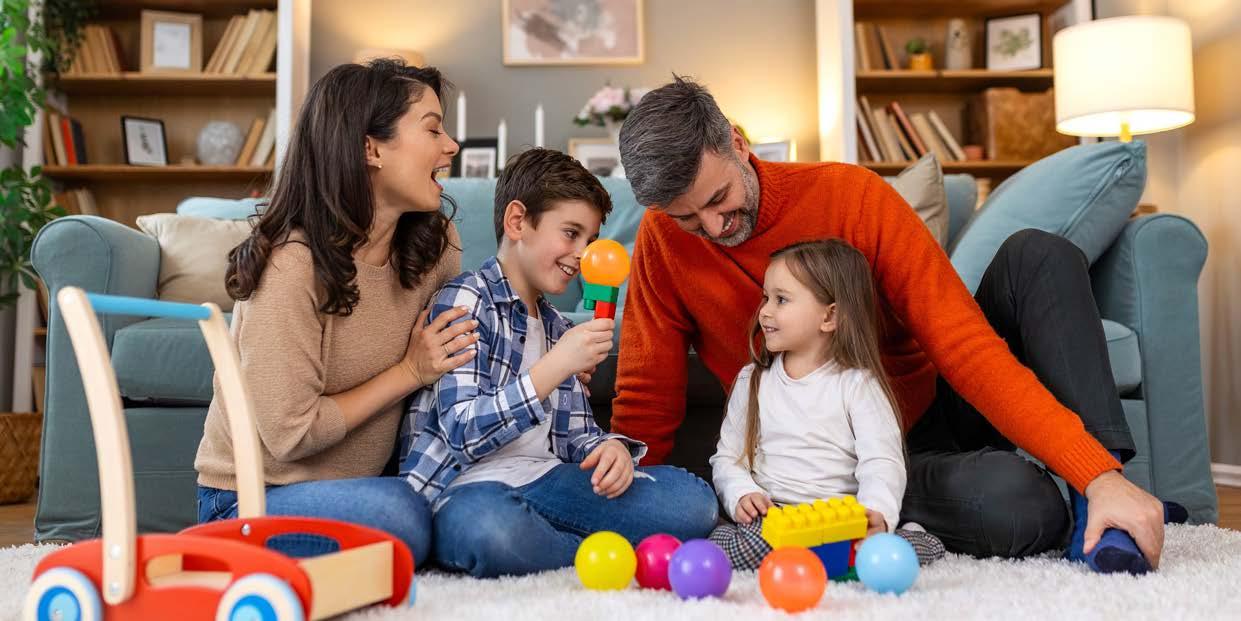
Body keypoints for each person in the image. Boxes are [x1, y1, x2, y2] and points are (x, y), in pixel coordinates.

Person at [610, 76, 1175, 574]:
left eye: (719, 199)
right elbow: (647, 396)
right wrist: (631, 505)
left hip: (928, 412)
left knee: (1039, 255)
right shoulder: (663, 243)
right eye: (688, 219)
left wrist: (1095, 472)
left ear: (737, 143)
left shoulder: (851, 196)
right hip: (838, 474)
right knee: (1022, 508)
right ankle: (1069, 498)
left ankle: (1105, 493)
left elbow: (963, 343)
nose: (713, 227)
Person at [195, 59, 477, 565]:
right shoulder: (291, 266)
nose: (451, 145)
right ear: (371, 149)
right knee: (404, 516)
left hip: (368, 489)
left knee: (465, 508)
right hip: (251, 499)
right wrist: (409, 372)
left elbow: (460, 351)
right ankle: (216, 550)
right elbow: (290, 434)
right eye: (433, 129)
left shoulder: (436, 243)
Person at [400, 148, 718, 578]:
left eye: (590, 241)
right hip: (469, 487)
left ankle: (554, 544)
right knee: (488, 530)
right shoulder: (467, 300)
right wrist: (555, 366)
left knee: (693, 502)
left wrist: (608, 449)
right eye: (571, 233)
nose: (582, 254)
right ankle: (593, 549)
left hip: (547, 482)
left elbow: (576, 437)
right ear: (518, 222)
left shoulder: (557, 326)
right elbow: (461, 431)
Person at [708, 239, 944, 569]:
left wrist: (877, 513)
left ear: (829, 316)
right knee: (734, 547)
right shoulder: (753, 380)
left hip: (837, 521)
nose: (765, 311)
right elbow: (728, 457)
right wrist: (741, 494)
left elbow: (882, 461)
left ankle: (912, 537)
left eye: (781, 299)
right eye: (766, 298)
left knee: (875, 558)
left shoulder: (857, 385)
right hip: (774, 518)